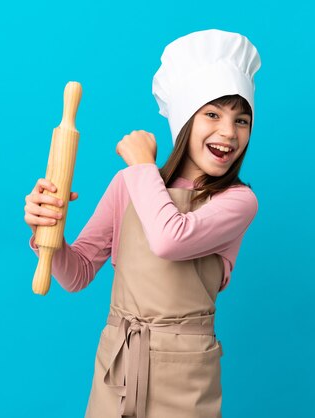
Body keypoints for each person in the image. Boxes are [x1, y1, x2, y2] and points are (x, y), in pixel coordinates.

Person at [23, 28, 261, 418]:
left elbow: (171, 239)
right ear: (186, 120)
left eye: (242, 120)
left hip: (184, 377)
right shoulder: (130, 183)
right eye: (213, 114)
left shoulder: (237, 200)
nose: (228, 132)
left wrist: (143, 166)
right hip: (117, 366)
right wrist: (49, 231)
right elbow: (77, 274)